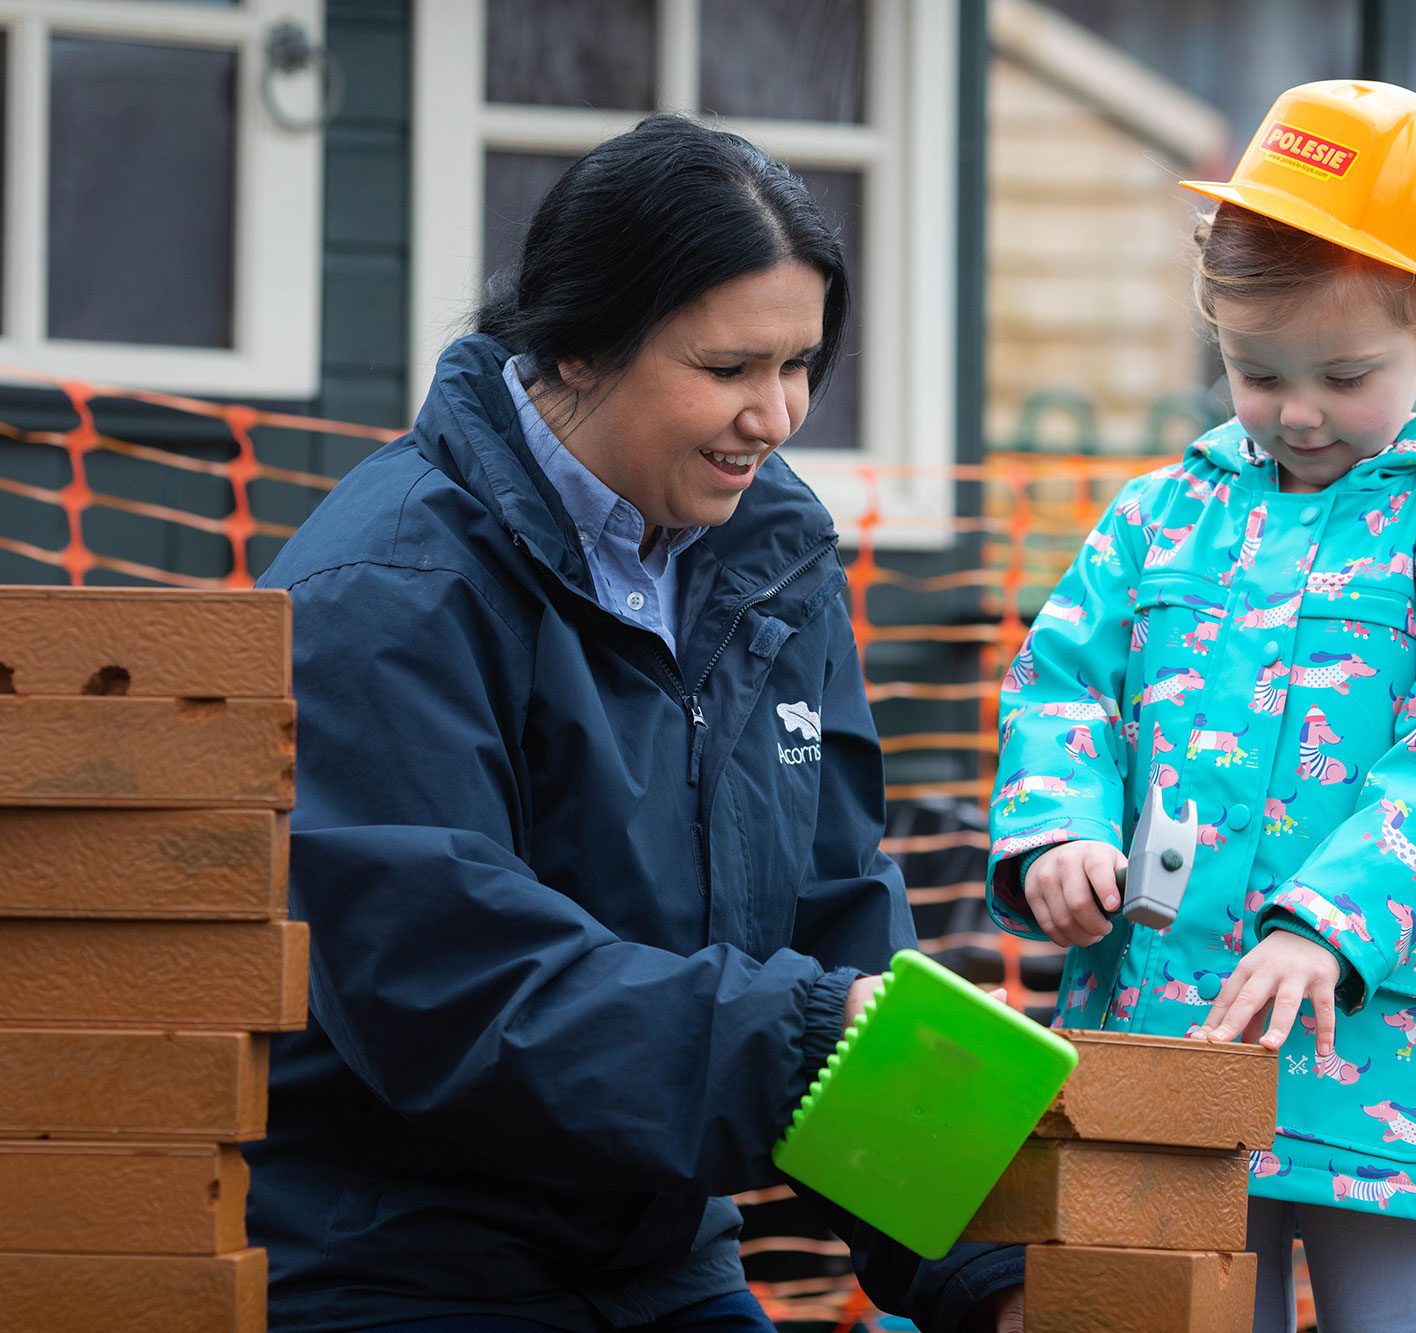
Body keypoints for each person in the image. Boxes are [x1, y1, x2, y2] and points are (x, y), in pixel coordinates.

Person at [246, 113, 1023, 1331]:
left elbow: (837, 924)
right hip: (391, 1262)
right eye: (727, 369)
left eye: (799, 364)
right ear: (573, 348)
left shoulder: (773, 564)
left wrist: (986, 1280)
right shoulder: (383, 592)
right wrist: (809, 1039)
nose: (775, 416)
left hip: (659, 1261)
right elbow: (452, 989)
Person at [986, 81, 1416, 1331]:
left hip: (1374, 1043)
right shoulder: (1158, 514)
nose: (1295, 412)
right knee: (1167, 1310)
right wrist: (1057, 834)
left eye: (1345, 374)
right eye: (1253, 371)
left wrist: (1327, 926)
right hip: (1166, 1032)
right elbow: (1064, 680)